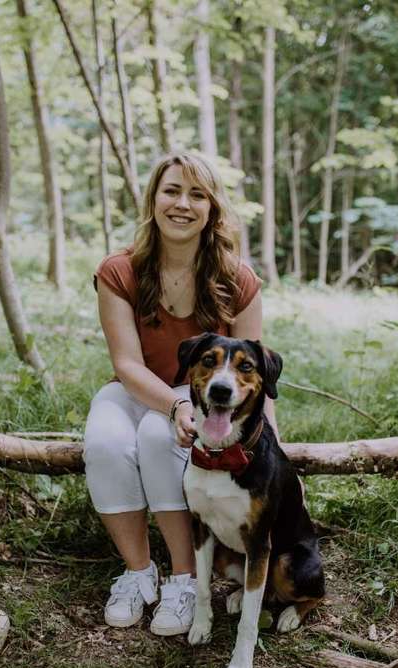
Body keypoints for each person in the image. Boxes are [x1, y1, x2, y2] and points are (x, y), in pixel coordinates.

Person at [83, 151, 276, 636]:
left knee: (155, 434)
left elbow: (258, 375)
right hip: (140, 388)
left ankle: (186, 581)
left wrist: (273, 450)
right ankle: (137, 573)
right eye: (172, 191)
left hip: (211, 400)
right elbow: (126, 364)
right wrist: (174, 403)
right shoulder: (119, 270)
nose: (182, 204)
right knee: (105, 438)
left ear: (211, 209)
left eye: (197, 195)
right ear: (154, 199)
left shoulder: (239, 279)